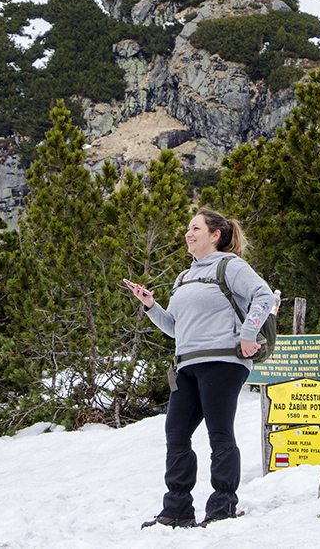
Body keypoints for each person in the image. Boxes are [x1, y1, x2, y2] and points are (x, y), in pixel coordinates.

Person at [125, 207, 278, 528]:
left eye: (195, 228)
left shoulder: (230, 266)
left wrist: (249, 334)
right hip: (187, 366)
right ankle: (177, 510)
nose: (187, 234)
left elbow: (263, 295)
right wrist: (150, 306)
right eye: (187, 229)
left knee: (219, 433)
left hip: (222, 361)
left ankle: (222, 506)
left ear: (215, 235)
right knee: (176, 433)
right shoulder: (184, 277)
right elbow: (175, 327)